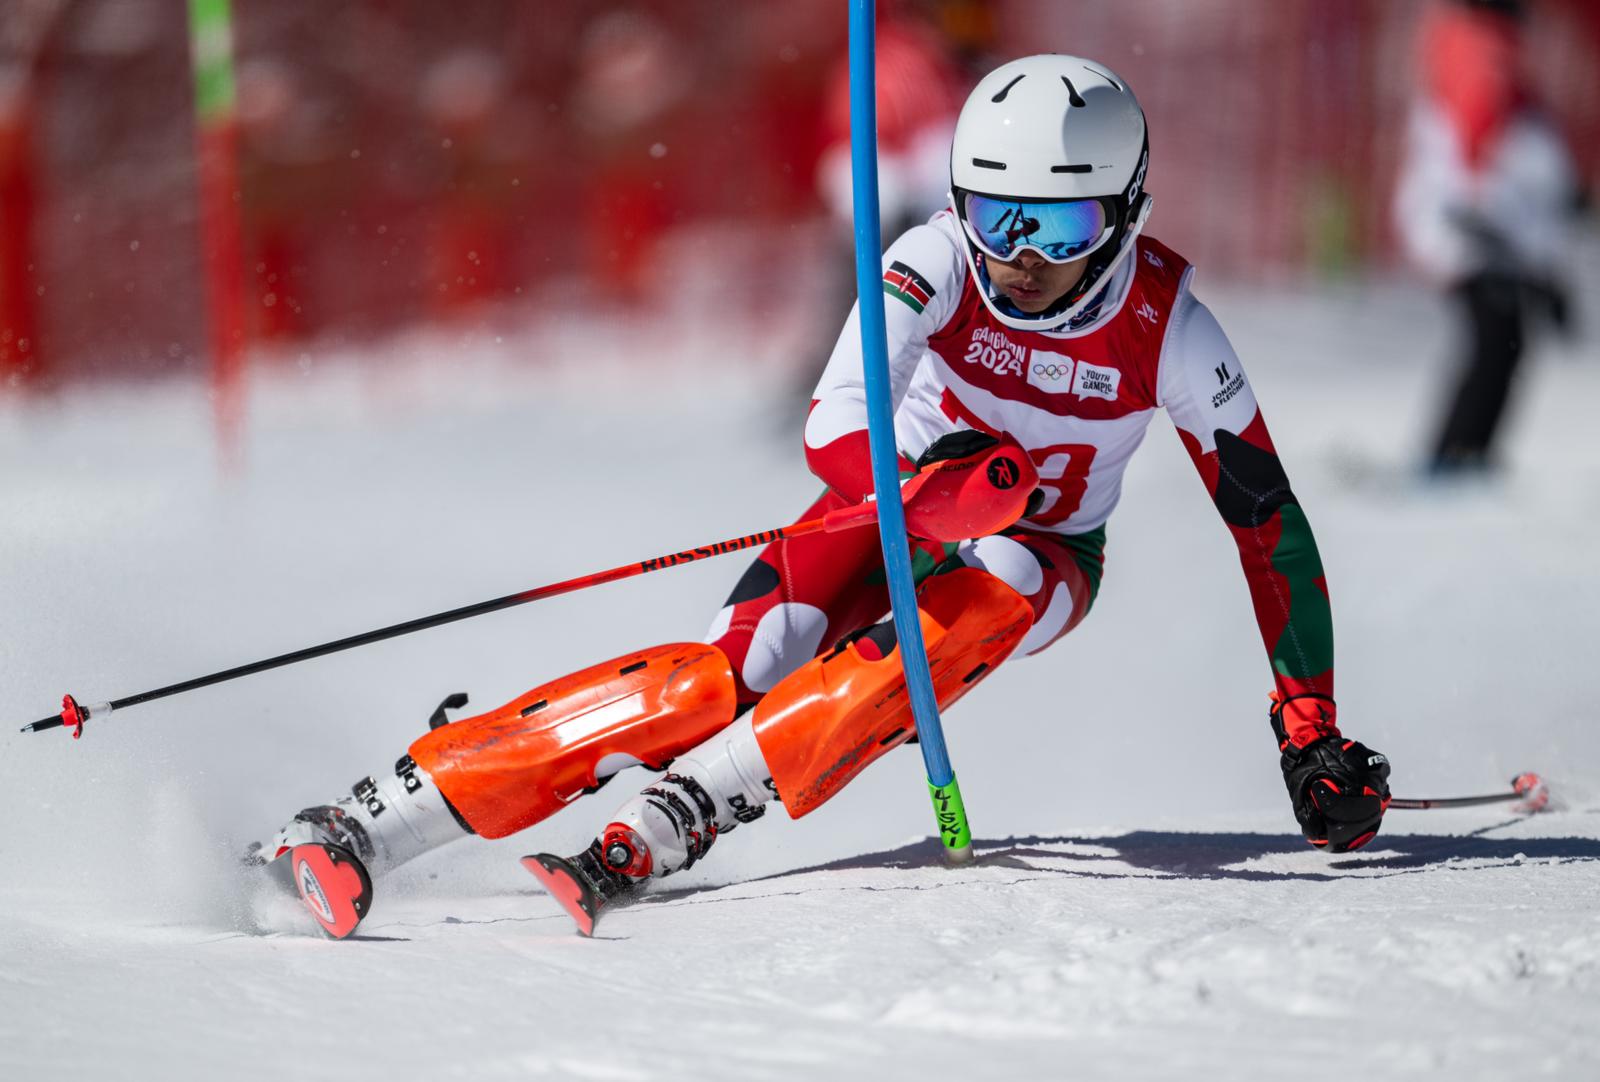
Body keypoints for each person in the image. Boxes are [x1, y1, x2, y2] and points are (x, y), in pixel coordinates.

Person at [252, 55, 1392, 940]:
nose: (1020, 259)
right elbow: (834, 424)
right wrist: (925, 496)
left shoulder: (1170, 328)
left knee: (995, 581)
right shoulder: (934, 260)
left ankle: (697, 802)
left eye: (1059, 228)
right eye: (997, 216)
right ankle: (373, 819)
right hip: (882, 504)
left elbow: (1267, 524)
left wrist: (1309, 728)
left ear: (1125, 212)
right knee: (712, 679)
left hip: (1044, 555)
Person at [1393, 0, 1581, 476]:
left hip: (1484, 228)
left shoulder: (1485, 54)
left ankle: (1465, 452)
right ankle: (1453, 455)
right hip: (1473, 227)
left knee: (1502, 341)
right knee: (1496, 340)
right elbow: (1473, 131)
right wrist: (1474, 205)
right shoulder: (1480, 52)